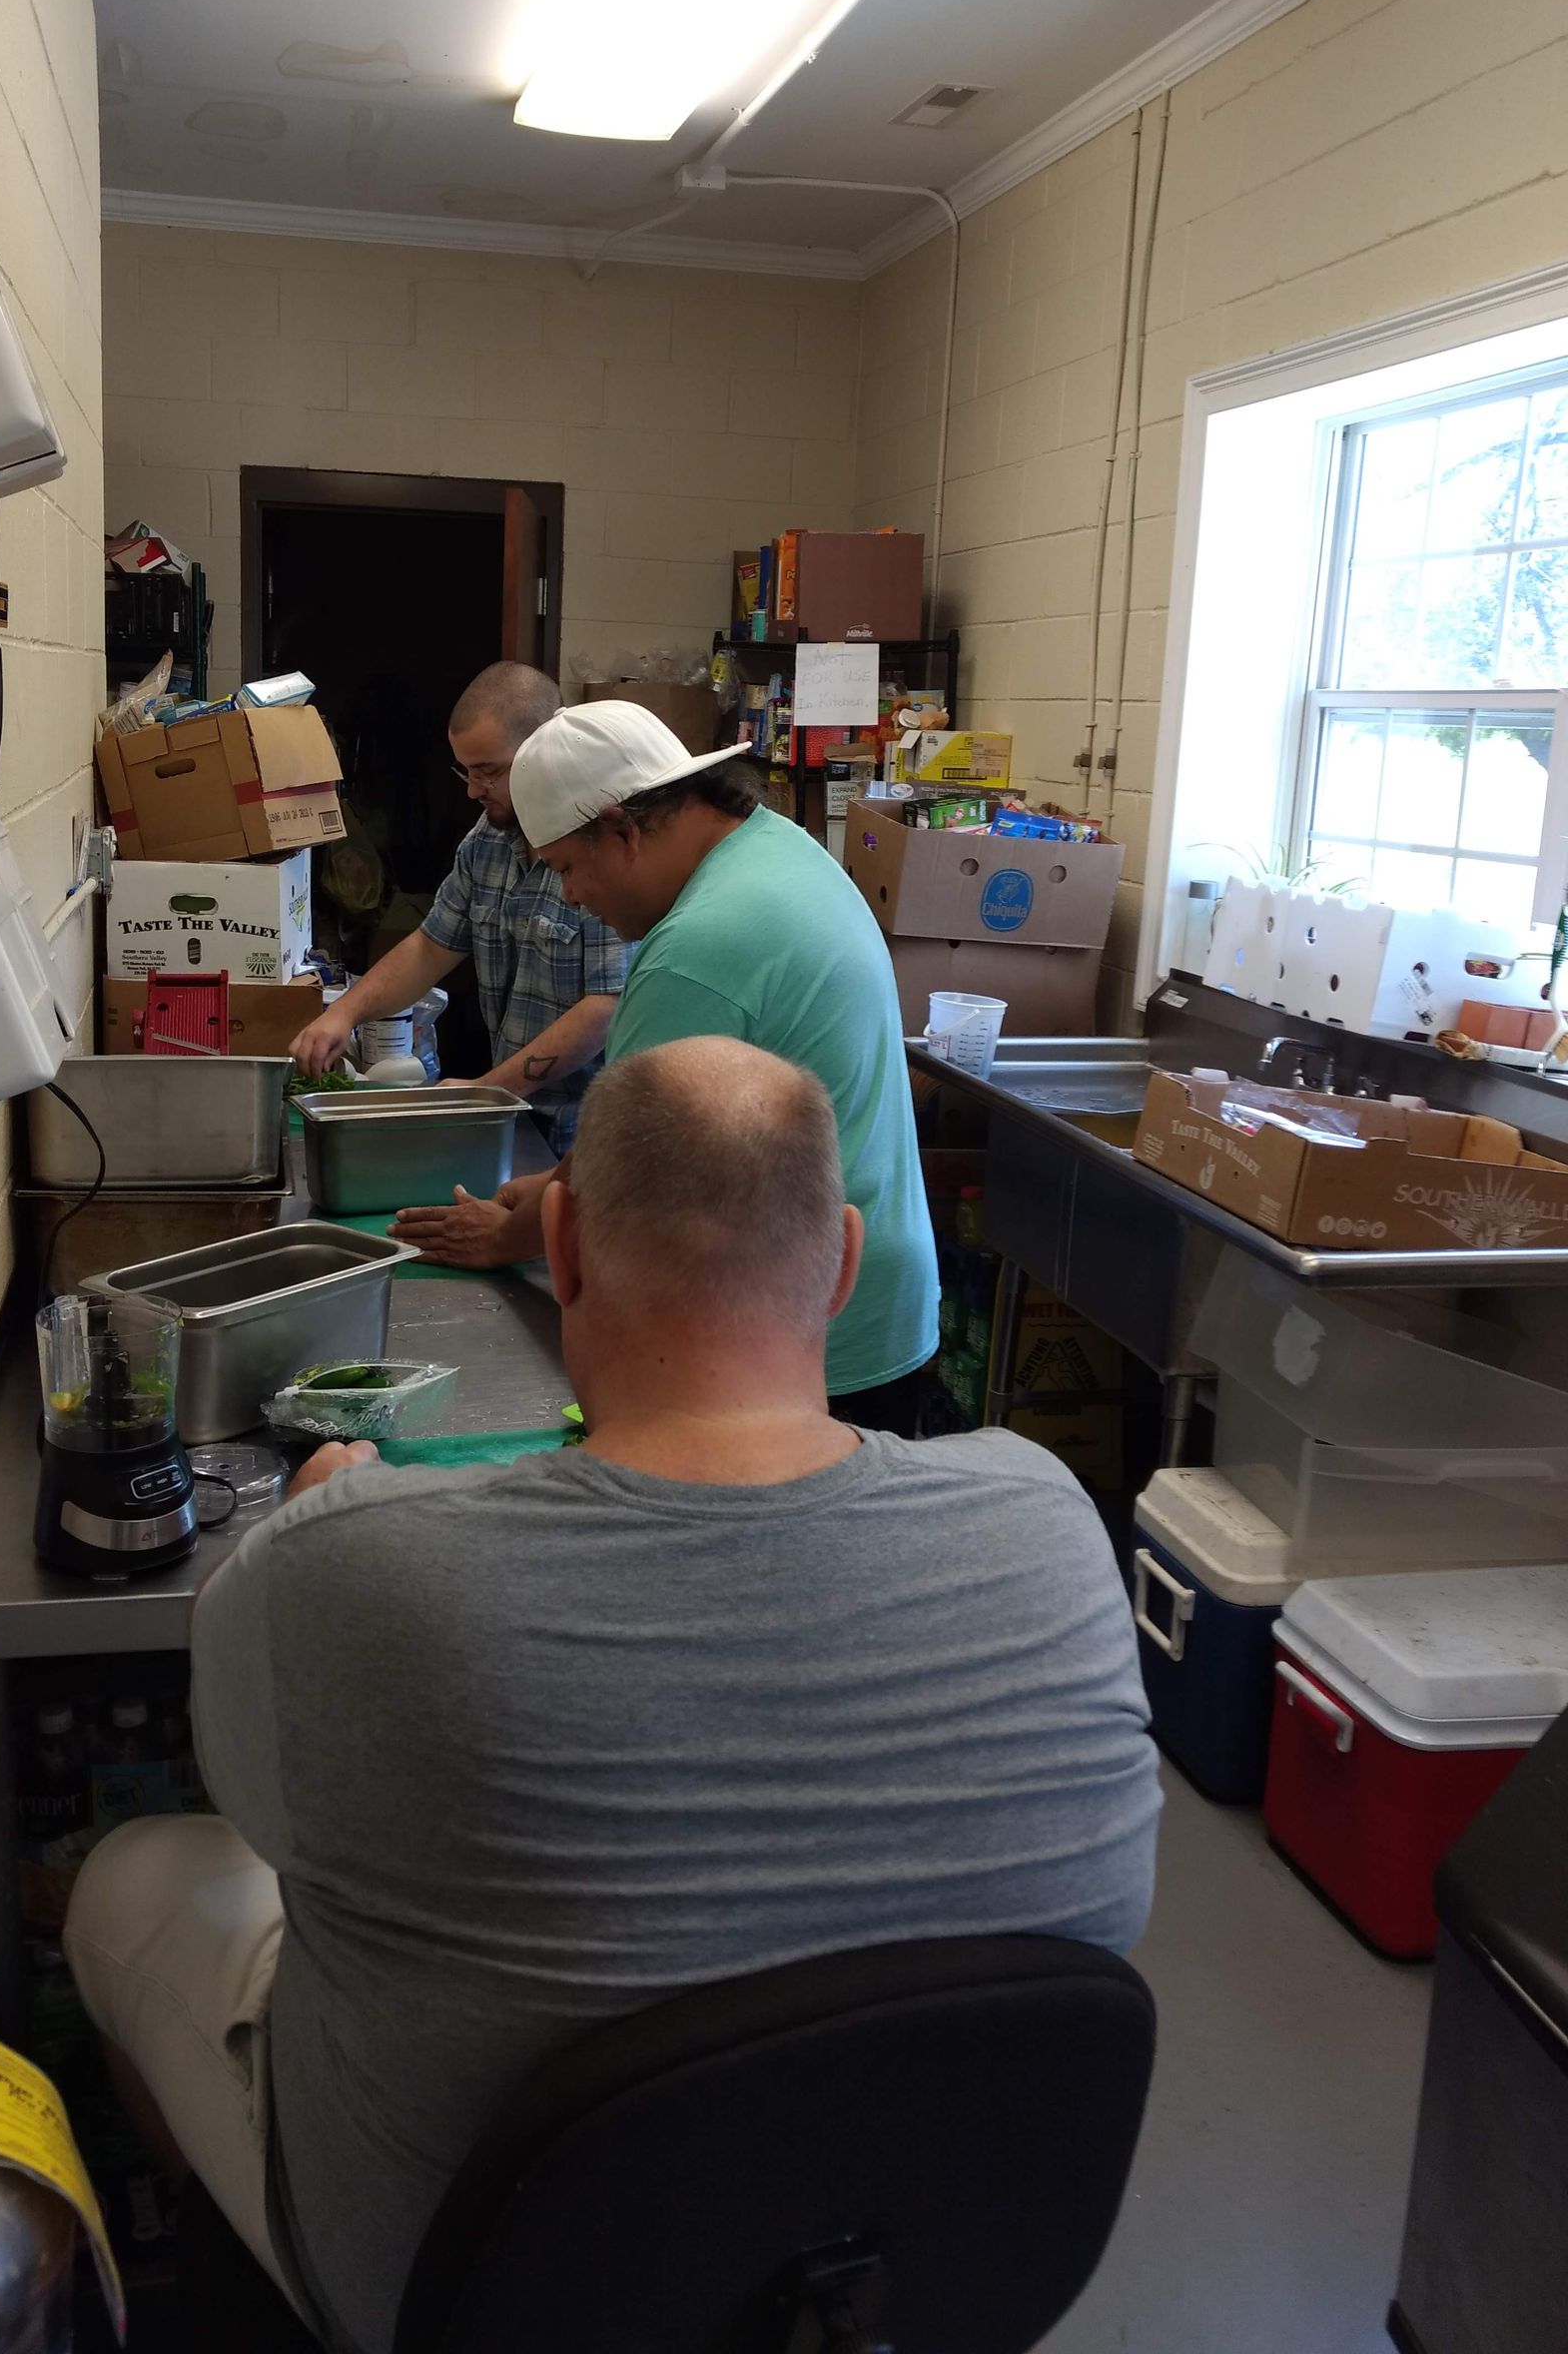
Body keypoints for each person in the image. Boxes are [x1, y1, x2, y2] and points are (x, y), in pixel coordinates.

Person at [65, 1039, 1162, 2354]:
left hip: (474, 2297)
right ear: (846, 1263)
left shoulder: (350, 1569)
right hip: (905, 2277)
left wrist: (317, 1531)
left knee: (129, 1880)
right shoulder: (1044, 1514)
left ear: (563, 1245)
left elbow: (253, 1810)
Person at [393, 701, 939, 1433]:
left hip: (806, 1327)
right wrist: (547, 1186)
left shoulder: (695, 950)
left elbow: (621, 1168)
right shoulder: (776, 848)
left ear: (621, 829)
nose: (573, 897)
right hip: (868, 1280)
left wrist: (503, 1238)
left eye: (566, 868)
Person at [291, 662, 629, 1151]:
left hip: (589, 1137)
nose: (472, 790)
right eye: (465, 771)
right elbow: (432, 945)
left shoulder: (598, 845)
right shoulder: (488, 838)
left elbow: (607, 1006)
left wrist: (490, 1091)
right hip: (515, 1122)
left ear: (547, 748)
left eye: (489, 771)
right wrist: (344, 1013)